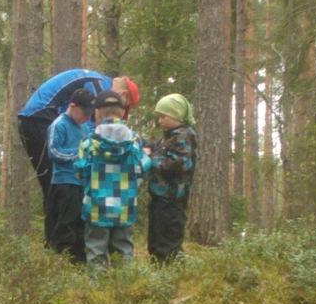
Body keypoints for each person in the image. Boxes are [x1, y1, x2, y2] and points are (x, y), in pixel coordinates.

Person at [18, 69, 140, 208]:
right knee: (57, 183)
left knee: (54, 185)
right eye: (125, 105)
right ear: (123, 95)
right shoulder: (99, 87)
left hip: (34, 117)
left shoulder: (100, 81)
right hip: (39, 117)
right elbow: (89, 129)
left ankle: (62, 224)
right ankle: (63, 227)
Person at [75, 91, 150, 268]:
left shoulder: (88, 142)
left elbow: (80, 171)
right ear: (123, 113)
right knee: (124, 250)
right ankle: (126, 288)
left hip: (96, 206)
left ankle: (98, 291)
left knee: (95, 249)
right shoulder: (134, 141)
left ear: (98, 112)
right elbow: (142, 168)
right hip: (125, 205)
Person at [46, 88, 96, 263]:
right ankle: (62, 261)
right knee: (65, 225)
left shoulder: (84, 128)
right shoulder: (59, 124)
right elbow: (53, 152)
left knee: (80, 224)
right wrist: (78, 154)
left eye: (90, 114)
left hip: (81, 184)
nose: (87, 118)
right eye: (85, 113)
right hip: (64, 183)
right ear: (73, 106)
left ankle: (79, 261)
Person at [146, 93, 197, 263]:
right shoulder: (167, 137)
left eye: (163, 116)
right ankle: (157, 265)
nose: (159, 121)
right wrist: (146, 146)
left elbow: (179, 163)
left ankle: (170, 268)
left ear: (176, 115)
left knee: (169, 236)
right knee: (155, 234)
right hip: (159, 196)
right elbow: (156, 148)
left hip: (173, 198)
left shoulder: (184, 136)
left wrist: (151, 158)